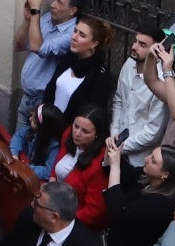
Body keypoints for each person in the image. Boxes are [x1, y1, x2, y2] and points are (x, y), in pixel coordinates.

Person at [28, 16, 114, 166]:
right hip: (46, 130)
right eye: (75, 31)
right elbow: (51, 90)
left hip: (68, 140)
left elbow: (90, 115)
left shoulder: (99, 77)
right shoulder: (68, 59)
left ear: (94, 43)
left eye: (82, 35)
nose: (74, 37)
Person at [14, 0, 81, 152]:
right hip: (26, 97)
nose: (52, 4)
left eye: (59, 2)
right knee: (17, 144)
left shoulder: (71, 34)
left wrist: (36, 11)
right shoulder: (44, 19)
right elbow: (20, 45)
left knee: (33, 150)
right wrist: (29, 19)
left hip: (43, 101)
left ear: (72, 10)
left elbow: (39, 47)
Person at [106, 144, 175, 246]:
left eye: (153, 160)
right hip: (111, 242)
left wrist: (115, 165)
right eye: (150, 155)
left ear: (165, 174)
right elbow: (122, 172)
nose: (146, 159)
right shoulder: (149, 177)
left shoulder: (162, 205)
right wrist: (113, 150)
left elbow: (118, 212)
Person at [110, 28, 170, 177]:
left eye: (142, 45)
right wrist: (114, 134)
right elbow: (119, 100)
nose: (134, 47)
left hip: (137, 162)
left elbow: (153, 132)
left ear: (157, 49)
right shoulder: (129, 63)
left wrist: (121, 147)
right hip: (115, 148)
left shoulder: (161, 84)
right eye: (135, 41)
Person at [41, 108, 112, 225]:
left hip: (72, 218)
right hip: (55, 201)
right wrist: (52, 181)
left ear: (97, 135)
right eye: (76, 126)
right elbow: (58, 160)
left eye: (85, 131)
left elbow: (93, 212)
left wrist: (63, 221)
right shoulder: (69, 135)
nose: (77, 133)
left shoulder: (99, 166)